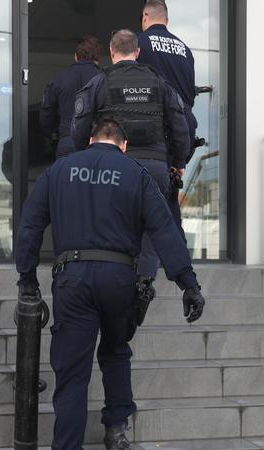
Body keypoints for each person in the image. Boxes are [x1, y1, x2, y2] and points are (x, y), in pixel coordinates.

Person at [16, 119, 205, 450]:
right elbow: (164, 230)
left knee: (71, 374)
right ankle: (116, 430)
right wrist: (187, 283)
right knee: (116, 352)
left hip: (72, 277)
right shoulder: (134, 173)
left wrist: (26, 278)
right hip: (120, 278)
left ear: (90, 140)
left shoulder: (61, 170)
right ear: (123, 145)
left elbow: (30, 226)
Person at [71, 29, 190, 284]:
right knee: (152, 229)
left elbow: (79, 129)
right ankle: (144, 284)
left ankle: (111, 284)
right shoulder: (159, 81)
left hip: (113, 166)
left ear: (112, 52)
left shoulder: (99, 81)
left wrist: (85, 156)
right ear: (137, 52)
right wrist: (178, 163)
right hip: (155, 167)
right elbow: (180, 126)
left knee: (108, 225)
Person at [138, 0, 200, 232]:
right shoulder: (185, 49)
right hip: (182, 131)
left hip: (152, 133)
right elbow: (190, 98)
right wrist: (180, 157)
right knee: (168, 199)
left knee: (143, 199)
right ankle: (174, 257)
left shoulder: (139, 43)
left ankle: (145, 260)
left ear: (145, 16)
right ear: (166, 19)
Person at [40, 36, 102, 159]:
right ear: (97, 59)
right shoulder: (104, 78)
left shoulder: (59, 78)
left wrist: (54, 134)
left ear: (76, 57)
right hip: (96, 143)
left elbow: (46, 115)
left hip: (67, 141)